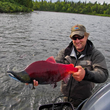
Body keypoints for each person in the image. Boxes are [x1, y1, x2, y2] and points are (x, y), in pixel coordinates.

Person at [31, 24, 109, 108]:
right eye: (74, 38)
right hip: (65, 98)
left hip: (84, 100)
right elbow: (52, 69)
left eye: (80, 37)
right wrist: (39, 77)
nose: (77, 40)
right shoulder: (64, 53)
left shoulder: (95, 55)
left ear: (86, 36)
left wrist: (85, 74)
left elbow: (103, 74)